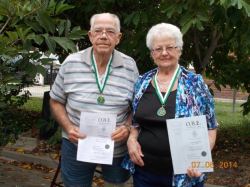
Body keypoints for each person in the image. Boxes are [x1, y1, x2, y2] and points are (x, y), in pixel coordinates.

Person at [49, 13, 139, 187]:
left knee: (116, 183)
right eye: (98, 31)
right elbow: (55, 100)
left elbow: (137, 106)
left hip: (116, 146)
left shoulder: (130, 66)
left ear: (118, 38)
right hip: (75, 143)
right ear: (90, 36)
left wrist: (127, 127)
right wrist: (68, 127)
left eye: (110, 31)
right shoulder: (71, 63)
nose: (104, 36)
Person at [123, 23, 217, 187]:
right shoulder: (142, 82)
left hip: (184, 175)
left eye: (170, 47)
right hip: (144, 171)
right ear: (152, 54)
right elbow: (136, 122)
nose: (164, 53)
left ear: (179, 50)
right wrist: (131, 140)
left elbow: (211, 127)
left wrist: (200, 161)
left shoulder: (195, 83)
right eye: (158, 49)